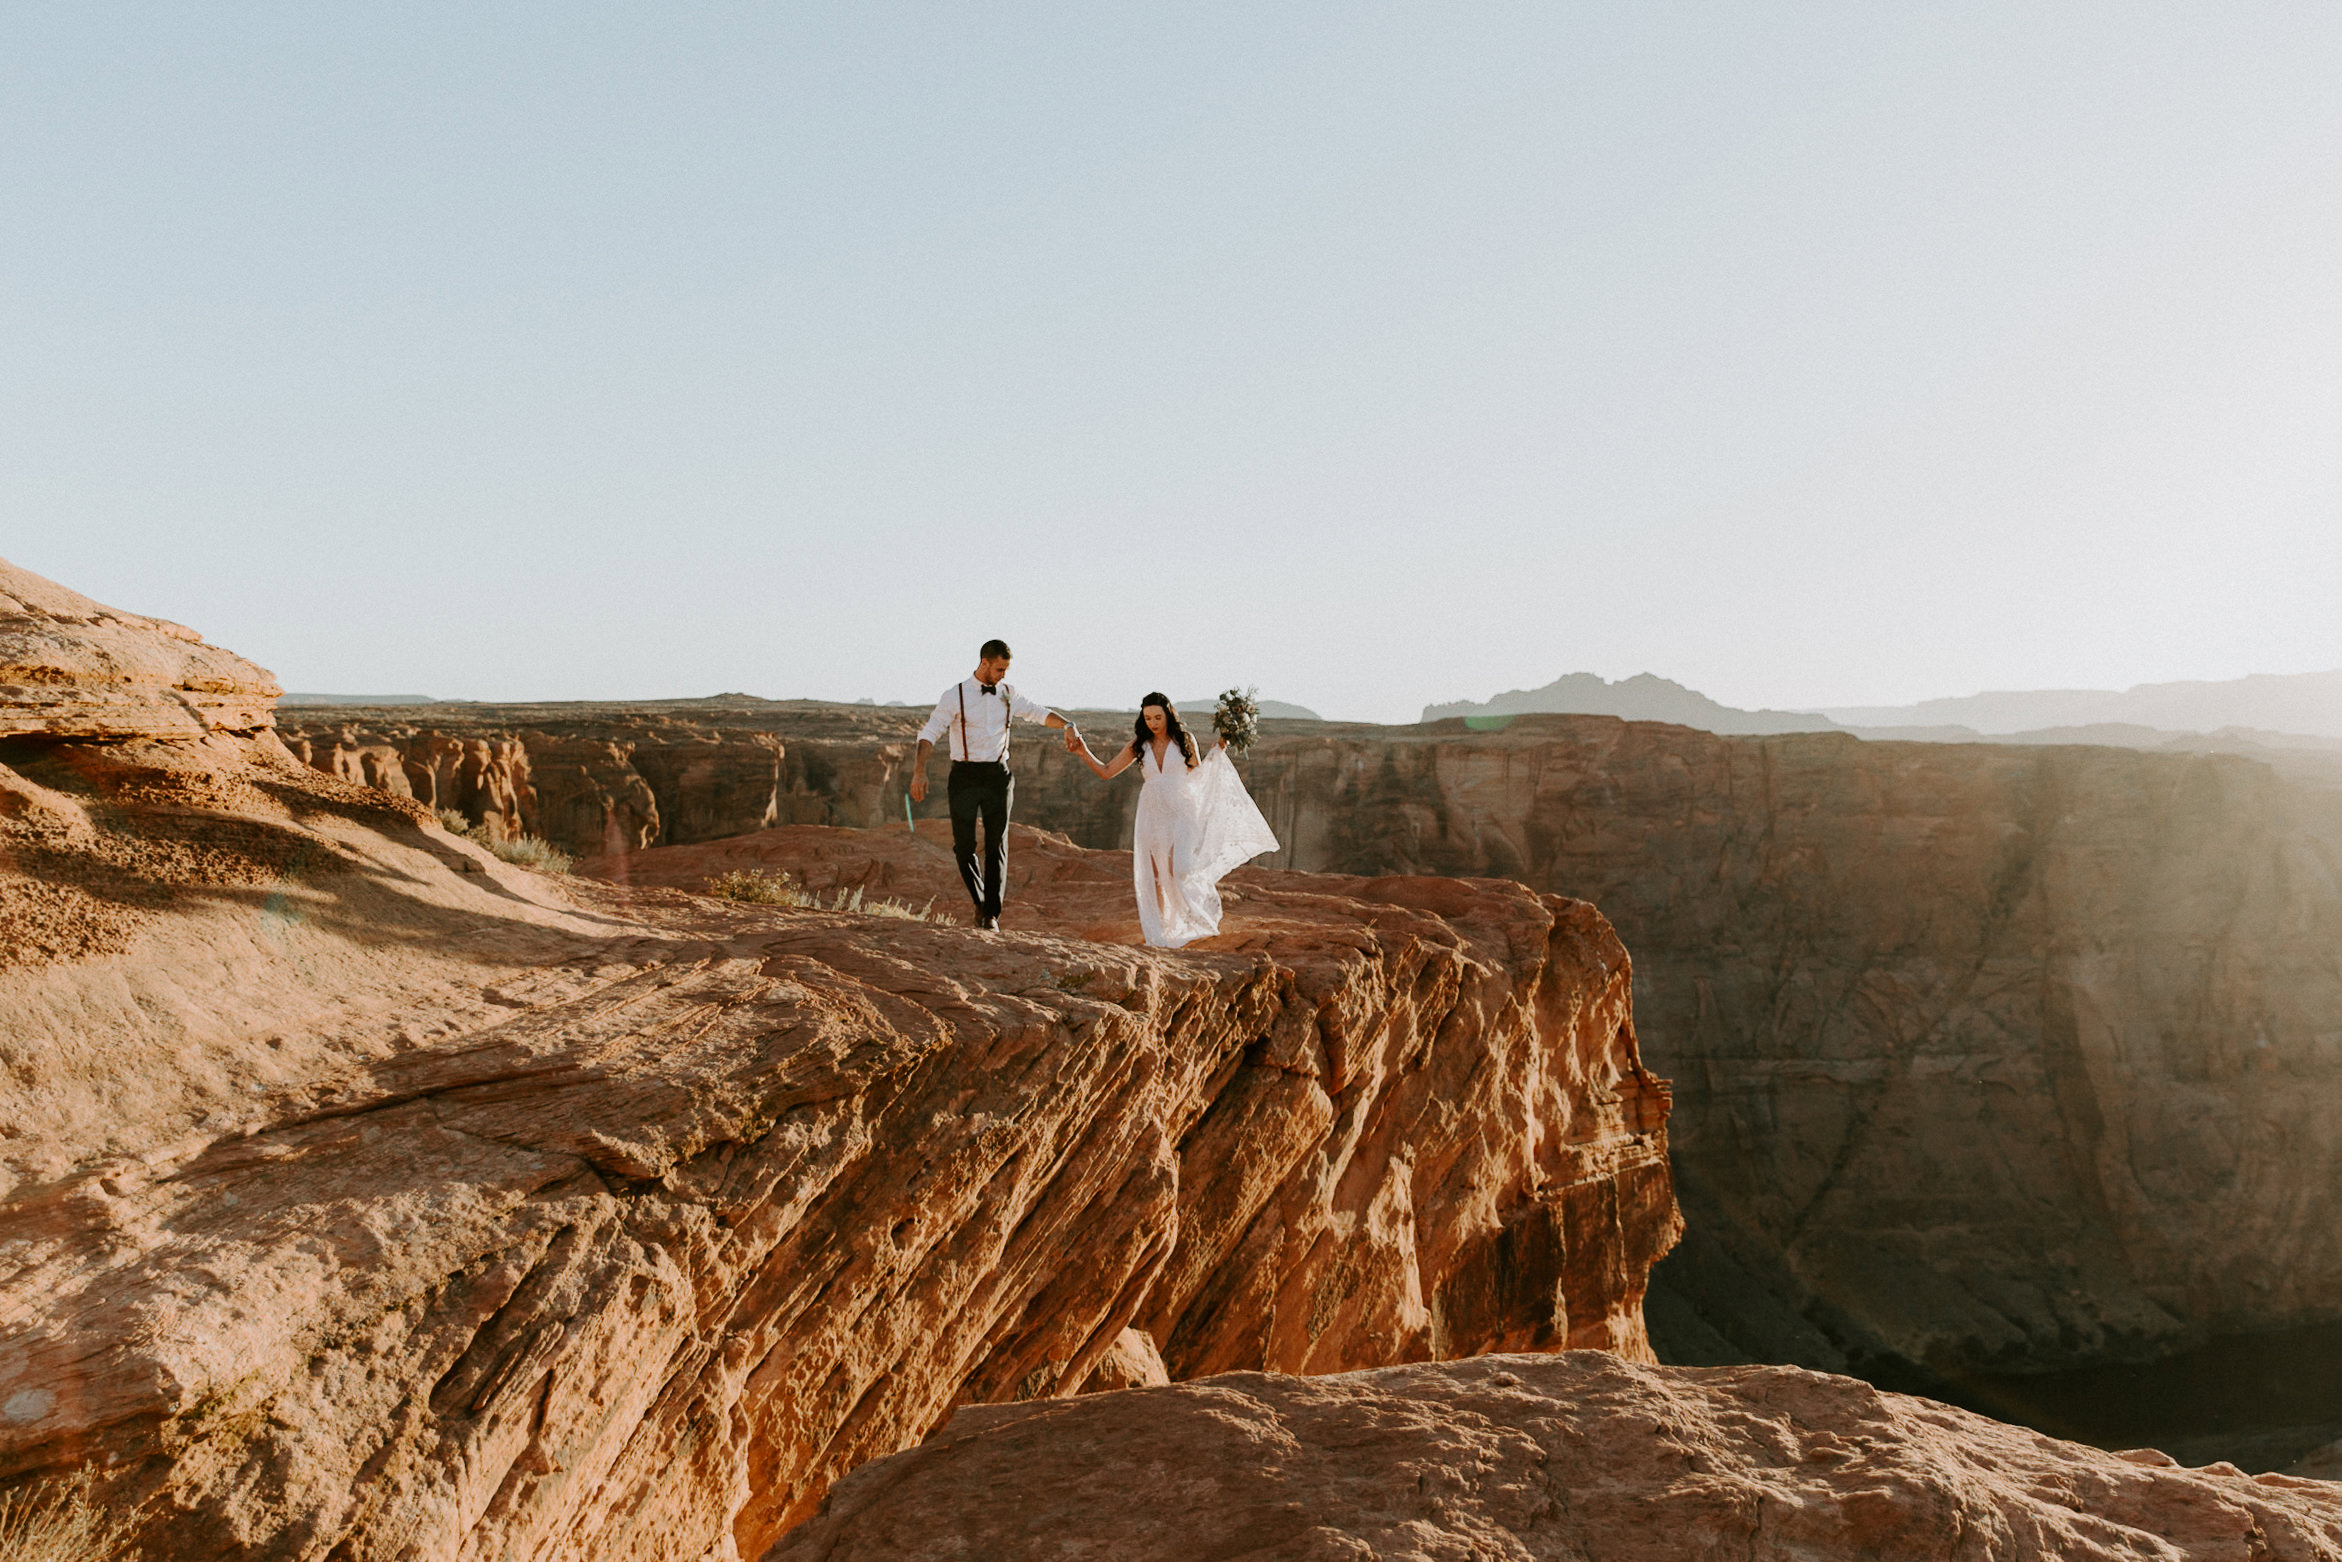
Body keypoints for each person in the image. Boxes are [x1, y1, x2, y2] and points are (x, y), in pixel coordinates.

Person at [1067, 694, 1279, 948]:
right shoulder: (1139, 745)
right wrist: (1082, 751)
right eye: (1148, 718)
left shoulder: (1184, 740)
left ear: (1168, 714)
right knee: (1155, 872)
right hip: (1152, 812)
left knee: (1179, 868)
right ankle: (1161, 931)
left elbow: (1199, 777)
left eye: (1158, 717)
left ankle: (1196, 919)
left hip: (1182, 810)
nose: (1153, 723)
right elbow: (1106, 771)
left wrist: (1218, 751)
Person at [909, 639, 1074, 930]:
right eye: (1000, 669)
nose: (1003, 675)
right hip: (964, 777)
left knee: (997, 843)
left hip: (998, 776)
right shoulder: (955, 695)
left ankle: (991, 916)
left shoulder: (1009, 693)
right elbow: (930, 732)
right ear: (984, 663)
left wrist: (1067, 724)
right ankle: (980, 900)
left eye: (1006, 669)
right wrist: (918, 772)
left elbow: (1037, 712)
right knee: (964, 846)